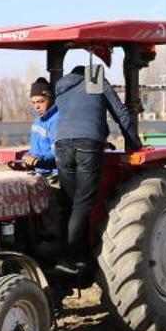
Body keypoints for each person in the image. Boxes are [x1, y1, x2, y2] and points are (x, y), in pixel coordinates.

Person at [53, 66, 143, 274]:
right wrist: (135, 144)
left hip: (61, 145)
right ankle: (69, 257)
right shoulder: (97, 82)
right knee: (83, 204)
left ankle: (79, 259)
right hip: (87, 145)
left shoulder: (62, 87)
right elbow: (121, 114)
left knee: (69, 202)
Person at [22, 77, 59, 175]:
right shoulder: (37, 120)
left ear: (50, 98)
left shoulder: (57, 121)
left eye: (40, 101)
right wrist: (28, 156)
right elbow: (36, 148)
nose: (36, 106)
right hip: (38, 172)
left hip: (52, 175)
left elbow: (58, 152)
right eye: (33, 102)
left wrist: (38, 158)